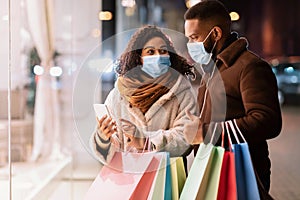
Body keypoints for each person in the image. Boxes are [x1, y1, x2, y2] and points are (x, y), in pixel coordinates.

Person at [183, 0, 282, 193]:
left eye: (194, 37)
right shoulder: (212, 69)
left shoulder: (250, 66)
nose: (190, 45)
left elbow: (268, 120)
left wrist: (207, 133)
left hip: (241, 173)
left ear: (216, 34)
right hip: (212, 169)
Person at [90, 25, 198, 167]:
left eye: (163, 51)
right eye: (150, 52)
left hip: (166, 176)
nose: (158, 56)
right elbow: (114, 147)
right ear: (139, 58)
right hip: (128, 179)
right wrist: (103, 137)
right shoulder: (120, 92)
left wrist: (146, 141)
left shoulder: (182, 90)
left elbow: (187, 137)